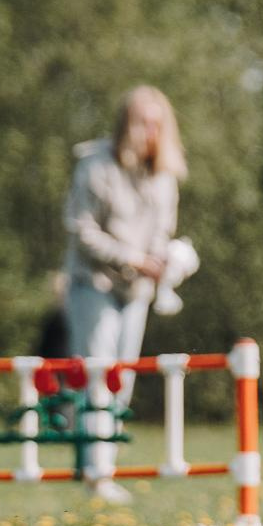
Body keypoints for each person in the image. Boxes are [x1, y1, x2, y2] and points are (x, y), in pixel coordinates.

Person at [62, 86, 187, 503]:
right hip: (93, 282)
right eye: (143, 123)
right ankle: (96, 475)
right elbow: (81, 231)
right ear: (127, 125)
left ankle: (103, 468)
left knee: (123, 381)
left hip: (136, 290)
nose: (151, 132)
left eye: (158, 124)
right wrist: (132, 258)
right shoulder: (95, 165)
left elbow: (163, 230)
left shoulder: (165, 175)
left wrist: (164, 260)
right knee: (98, 375)